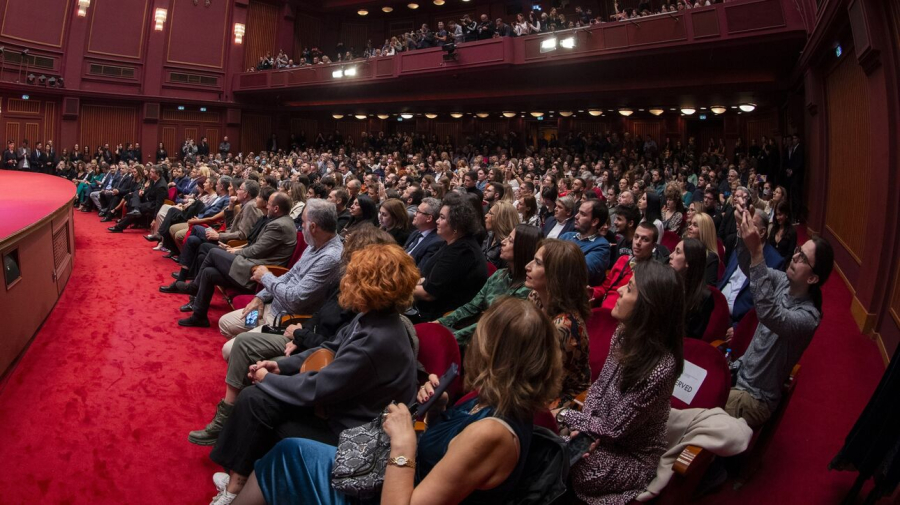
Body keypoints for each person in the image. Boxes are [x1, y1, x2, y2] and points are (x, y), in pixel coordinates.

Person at [231, 296, 562, 505]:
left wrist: (403, 444)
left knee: (288, 456)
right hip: (398, 474)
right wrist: (439, 407)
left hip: (395, 487)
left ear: (495, 354)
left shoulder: (492, 433)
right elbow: (445, 451)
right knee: (289, 451)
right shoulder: (491, 399)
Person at [206, 243, 421, 505]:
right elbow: (329, 347)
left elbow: (320, 387)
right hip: (340, 409)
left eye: (352, 276)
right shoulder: (374, 318)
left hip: (351, 432)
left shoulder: (377, 338)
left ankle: (236, 491)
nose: (345, 281)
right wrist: (281, 367)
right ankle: (237, 483)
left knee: (260, 401)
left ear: (368, 285)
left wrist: (269, 379)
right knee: (257, 398)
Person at [188, 225, 391, 448]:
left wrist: (298, 337)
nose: (344, 241)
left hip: (301, 335)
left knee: (244, 367)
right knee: (232, 329)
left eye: (350, 241)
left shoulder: (360, 301)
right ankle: (233, 406)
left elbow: (328, 342)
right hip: (291, 325)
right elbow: (318, 312)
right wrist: (266, 301)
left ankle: (234, 415)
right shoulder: (335, 269)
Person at [554, 261, 684, 505]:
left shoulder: (660, 369)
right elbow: (600, 385)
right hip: (598, 430)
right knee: (556, 446)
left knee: (578, 466)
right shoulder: (624, 332)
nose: (621, 290)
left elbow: (615, 430)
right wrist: (584, 431)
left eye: (630, 288)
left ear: (648, 307)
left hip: (629, 453)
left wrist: (566, 416)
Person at [726, 208, 833, 429]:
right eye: (798, 251)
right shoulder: (784, 280)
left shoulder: (808, 318)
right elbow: (750, 268)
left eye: (802, 257)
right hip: (739, 373)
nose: (794, 257)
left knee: (700, 411)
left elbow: (769, 314)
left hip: (754, 398)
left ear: (813, 278)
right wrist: (742, 231)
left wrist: (757, 252)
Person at [216, 198, 343, 337]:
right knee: (225, 323)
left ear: (313, 227)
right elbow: (289, 275)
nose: (301, 226)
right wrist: (260, 297)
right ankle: (248, 347)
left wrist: (266, 277)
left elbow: (295, 300)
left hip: (285, 320)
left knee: (232, 347)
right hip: (272, 306)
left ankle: (248, 348)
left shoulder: (330, 257)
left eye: (303, 222)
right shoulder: (315, 244)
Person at [176, 192, 296, 328]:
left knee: (213, 251)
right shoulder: (279, 221)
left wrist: (236, 251)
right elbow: (254, 246)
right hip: (254, 264)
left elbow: (256, 250)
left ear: (276, 208)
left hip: (257, 272)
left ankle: (193, 287)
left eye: (269, 204)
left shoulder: (279, 226)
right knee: (209, 272)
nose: (267, 207)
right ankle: (199, 316)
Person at [438, 224, 541, 346]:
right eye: (507, 237)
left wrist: (452, 338)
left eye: (510, 241)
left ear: (522, 248)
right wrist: (440, 322)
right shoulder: (499, 275)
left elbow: (493, 324)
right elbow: (472, 306)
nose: (503, 242)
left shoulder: (527, 290)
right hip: (473, 334)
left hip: (491, 344)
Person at [526, 239, 592, 408]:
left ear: (556, 275)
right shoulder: (535, 297)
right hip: (531, 378)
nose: (528, 266)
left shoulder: (566, 327)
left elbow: (546, 386)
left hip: (562, 398)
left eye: (538, 263)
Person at [412, 195, 488, 322]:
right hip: (427, 310)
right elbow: (428, 277)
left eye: (442, 218)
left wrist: (398, 288)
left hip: (442, 319)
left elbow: (429, 293)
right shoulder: (450, 242)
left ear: (457, 224)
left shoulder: (462, 252)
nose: (436, 221)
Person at [718, 211, 784, 327]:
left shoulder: (776, 262)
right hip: (717, 309)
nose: (743, 227)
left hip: (737, 322)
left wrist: (740, 327)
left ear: (762, 232)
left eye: (749, 224)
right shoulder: (740, 246)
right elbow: (725, 279)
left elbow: (764, 305)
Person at [670, 238, 714, 339]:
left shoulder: (705, 297)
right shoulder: (668, 282)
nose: (670, 256)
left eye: (677, 252)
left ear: (688, 261)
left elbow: (691, 337)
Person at [561, 199, 611, 286]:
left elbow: (579, 272)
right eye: (578, 212)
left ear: (594, 221)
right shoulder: (567, 236)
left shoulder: (602, 247)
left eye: (583, 214)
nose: (576, 216)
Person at [108, 165, 167, 233]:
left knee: (133, 204)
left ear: (158, 174)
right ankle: (136, 209)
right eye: (150, 171)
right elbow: (149, 190)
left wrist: (154, 219)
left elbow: (159, 204)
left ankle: (119, 226)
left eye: (152, 172)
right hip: (147, 199)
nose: (149, 173)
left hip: (152, 204)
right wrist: (143, 191)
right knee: (136, 192)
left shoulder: (161, 186)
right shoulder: (153, 180)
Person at [403, 197, 445, 267]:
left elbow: (420, 270)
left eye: (418, 211)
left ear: (429, 218)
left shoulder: (436, 243)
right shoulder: (415, 233)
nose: (414, 213)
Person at [684, 212, 721, 285]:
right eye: (690, 224)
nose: (689, 227)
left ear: (704, 231)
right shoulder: (684, 248)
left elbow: (709, 288)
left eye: (695, 225)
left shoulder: (711, 258)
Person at [482, 201, 519, 269]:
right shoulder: (489, 235)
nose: (486, 216)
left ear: (501, 219)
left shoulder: (509, 246)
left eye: (490, 214)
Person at [768, 200, 797, 266]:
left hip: (782, 265)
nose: (777, 217)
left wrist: (779, 263)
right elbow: (769, 245)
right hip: (770, 262)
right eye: (776, 215)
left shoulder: (792, 232)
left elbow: (790, 254)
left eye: (780, 214)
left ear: (786, 214)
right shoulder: (774, 228)